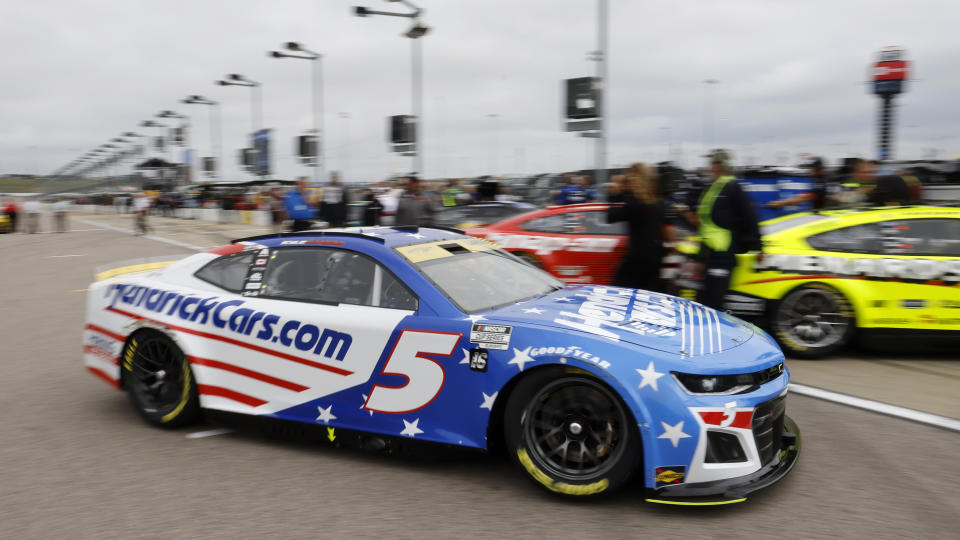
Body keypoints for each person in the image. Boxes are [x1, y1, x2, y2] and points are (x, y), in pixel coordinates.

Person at [689, 150, 763, 311]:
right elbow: (706, 228)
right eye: (712, 163)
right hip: (711, 254)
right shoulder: (713, 188)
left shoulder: (733, 187)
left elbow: (750, 216)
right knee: (703, 301)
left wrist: (759, 247)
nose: (711, 166)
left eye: (715, 163)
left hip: (723, 254)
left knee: (714, 303)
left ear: (722, 165)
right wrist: (700, 259)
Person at [607, 164, 673, 292]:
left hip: (637, 258)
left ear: (634, 179)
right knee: (650, 296)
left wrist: (615, 193)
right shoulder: (658, 202)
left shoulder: (634, 201)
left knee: (618, 293)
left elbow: (611, 217)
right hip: (656, 257)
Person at [766, 157, 838, 211]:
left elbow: (803, 197)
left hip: (826, 215)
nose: (811, 171)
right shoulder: (828, 176)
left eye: (813, 169)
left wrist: (779, 203)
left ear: (820, 169)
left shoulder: (822, 181)